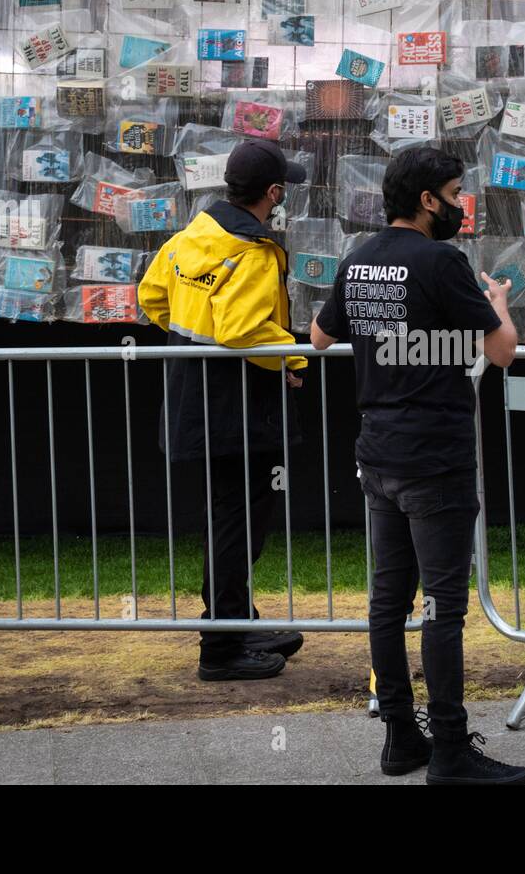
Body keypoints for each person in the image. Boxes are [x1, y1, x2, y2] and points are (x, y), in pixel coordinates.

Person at [310, 146, 525, 785]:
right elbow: (504, 350)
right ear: (429, 199)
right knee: (441, 606)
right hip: (434, 457)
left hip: (377, 452)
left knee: (388, 601)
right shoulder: (442, 261)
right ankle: (452, 752)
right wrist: (497, 302)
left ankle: (401, 740)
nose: (463, 205)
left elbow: (321, 337)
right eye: (456, 192)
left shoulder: (359, 259)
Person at [138, 138, 308, 681]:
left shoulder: (195, 234)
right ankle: (222, 649)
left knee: (227, 516)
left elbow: (151, 297)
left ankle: (233, 620)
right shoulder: (252, 249)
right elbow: (240, 330)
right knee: (238, 521)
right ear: (273, 193)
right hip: (237, 408)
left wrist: (194, 345)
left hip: (195, 397)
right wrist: (293, 360)